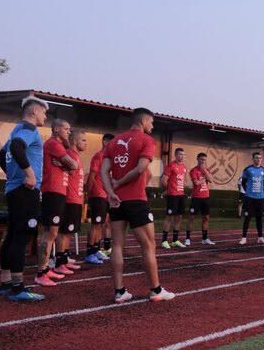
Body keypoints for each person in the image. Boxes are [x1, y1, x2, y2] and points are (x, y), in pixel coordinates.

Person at [101, 107, 174, 303]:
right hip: (136, 200)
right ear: (142, 121)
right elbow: (142, 167)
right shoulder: (147, 140)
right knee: (149, 245)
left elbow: (103, 170)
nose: (152, 126)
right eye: (151, 122)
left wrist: (110, 192)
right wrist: (118, 183)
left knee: (117, 245)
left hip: (116, 201)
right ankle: (156, 290)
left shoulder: (114, 141)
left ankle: (119, 292)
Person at [0, 95, 48, 301]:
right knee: (21, 235)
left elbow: (1, 155)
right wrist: (29, 174)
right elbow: (17, 147)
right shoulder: (29, 128)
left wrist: (14, 175)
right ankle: (18, 288)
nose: (45, 116)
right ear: (34, 111)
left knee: (12, 235)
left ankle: (5, 283)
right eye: (44, 112)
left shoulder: (16, 130)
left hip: (14, 188)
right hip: (25, 190)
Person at [35, 119, 78, 286]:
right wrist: (66, 164)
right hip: (52, 191)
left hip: (58, 192)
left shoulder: (60, 146)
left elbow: (73, 168)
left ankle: (45, 269)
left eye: (69, 129)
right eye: (66, 129)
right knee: (50, 233)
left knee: (53, 232)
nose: (68, 131)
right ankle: (41, 272)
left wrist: (62, 164)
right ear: (56, 129)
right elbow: (73, 164)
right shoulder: (53, 144)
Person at [53, 130, 87, 271]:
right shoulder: (69, 154)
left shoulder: (76, 156)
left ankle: (65, 259)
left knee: (68, 232)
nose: (86, 143)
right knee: (64, 232)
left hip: (76, 199)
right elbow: (66, 167)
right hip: (69, 199)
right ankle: (59, 263)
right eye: (83, 140)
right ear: (74, 141)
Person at [85, 133, 115, 264]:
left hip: (106, 195)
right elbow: (91, 176)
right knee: (96, 224)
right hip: (97, 194)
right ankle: (89, 252)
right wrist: (89, 194)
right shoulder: (99, 156)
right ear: (105, 142)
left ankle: (96, 249)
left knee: (101, 224)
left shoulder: (110, 159)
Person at [238, 152, 264, 245]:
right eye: (256, 158)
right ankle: (244, 238)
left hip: (259, 198)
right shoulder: (248, 169)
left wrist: (260, 192)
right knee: (247, 217)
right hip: (249, 198)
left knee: (259, 218)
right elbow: (243, 183)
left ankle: (260, 237)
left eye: (260, 158)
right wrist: (249, 192)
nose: (258, 159)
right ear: (253, 158)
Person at [160, 148, 187, 249]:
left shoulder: (184, 167)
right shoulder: (171, 166)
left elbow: (180, 181)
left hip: (180, 195)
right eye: (180, 154)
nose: (182, 156)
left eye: (183, 154)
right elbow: (164, 181)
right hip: (172, 196)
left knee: (179, 217)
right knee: (169, 217)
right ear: (175, 155)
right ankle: (164, 241)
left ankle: (175, 240)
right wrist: (169, 190)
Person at [188, 152, 216, 245]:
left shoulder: (207, 170)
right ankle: (187, 238)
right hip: (196, 197)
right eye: (201, 159)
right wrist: (205, 178)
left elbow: (211, 180)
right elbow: (196, 183)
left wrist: (205, 172)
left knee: (206, 218)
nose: (203, 161)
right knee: (191, 218)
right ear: (198, 159)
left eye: (204, 160)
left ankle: (204, 238)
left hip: (206, 197)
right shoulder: (193, 171)